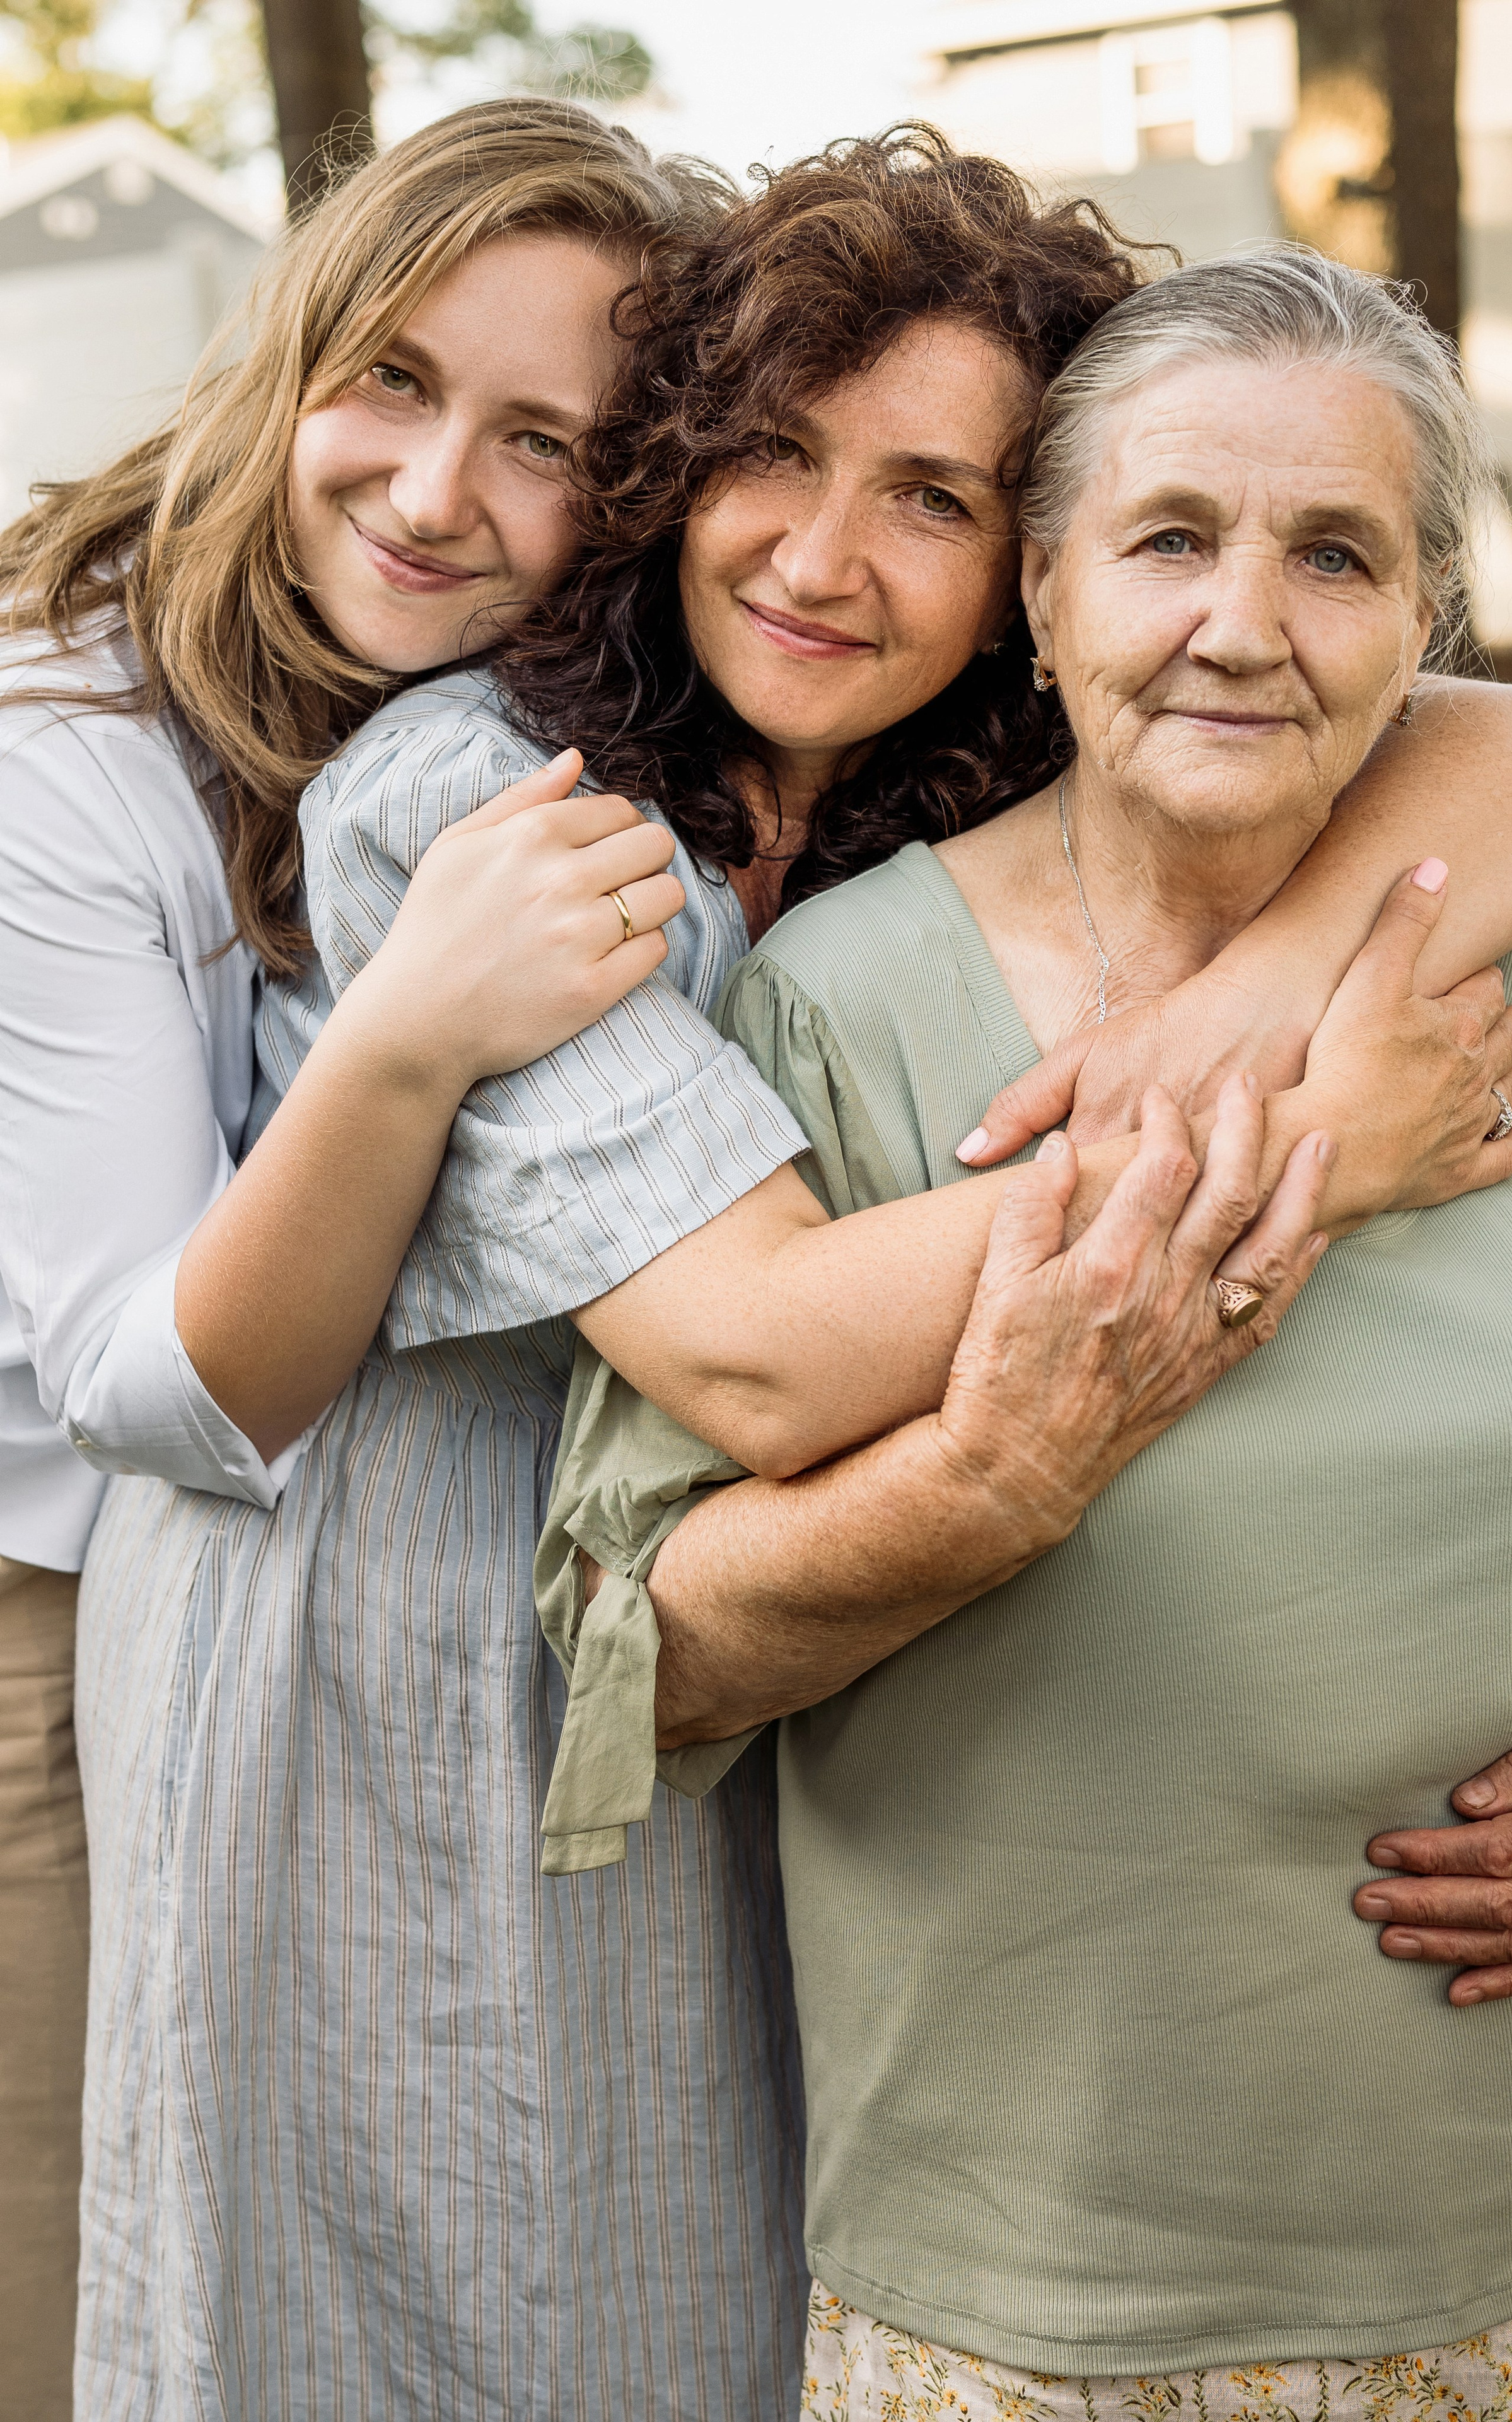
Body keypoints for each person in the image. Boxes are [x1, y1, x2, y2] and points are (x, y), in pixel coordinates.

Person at [67, 131, 1512, 2422]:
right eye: (768, 455)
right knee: (397, 2309)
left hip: (814, 1784)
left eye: (934, 495)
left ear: (1029, 566)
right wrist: (1300, 1134)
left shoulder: (934, 799)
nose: (821, 554)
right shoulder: (501, 802)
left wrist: (1221, 1028)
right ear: (674, 469)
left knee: (712, 2276)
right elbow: (760, 1357)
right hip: (388, 1655)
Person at [536, 246, 1512, 2421]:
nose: (1244, 621)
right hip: (1035, 2293)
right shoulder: (837, 1001)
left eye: (1337, 555)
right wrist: (996, 1475)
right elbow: (654, 1654)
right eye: (1168, 540)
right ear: (1041, 598)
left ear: (1424, 622)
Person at [0, 98, 723, 2422]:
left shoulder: (557, 727)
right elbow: (161, 1391)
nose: (433, 494)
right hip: (50, 1620)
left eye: (545, 441)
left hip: (353, 1632)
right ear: (288, 352)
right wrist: (407, 1037)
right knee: (89, 2302)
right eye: (390, 383)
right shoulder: (67, 745)